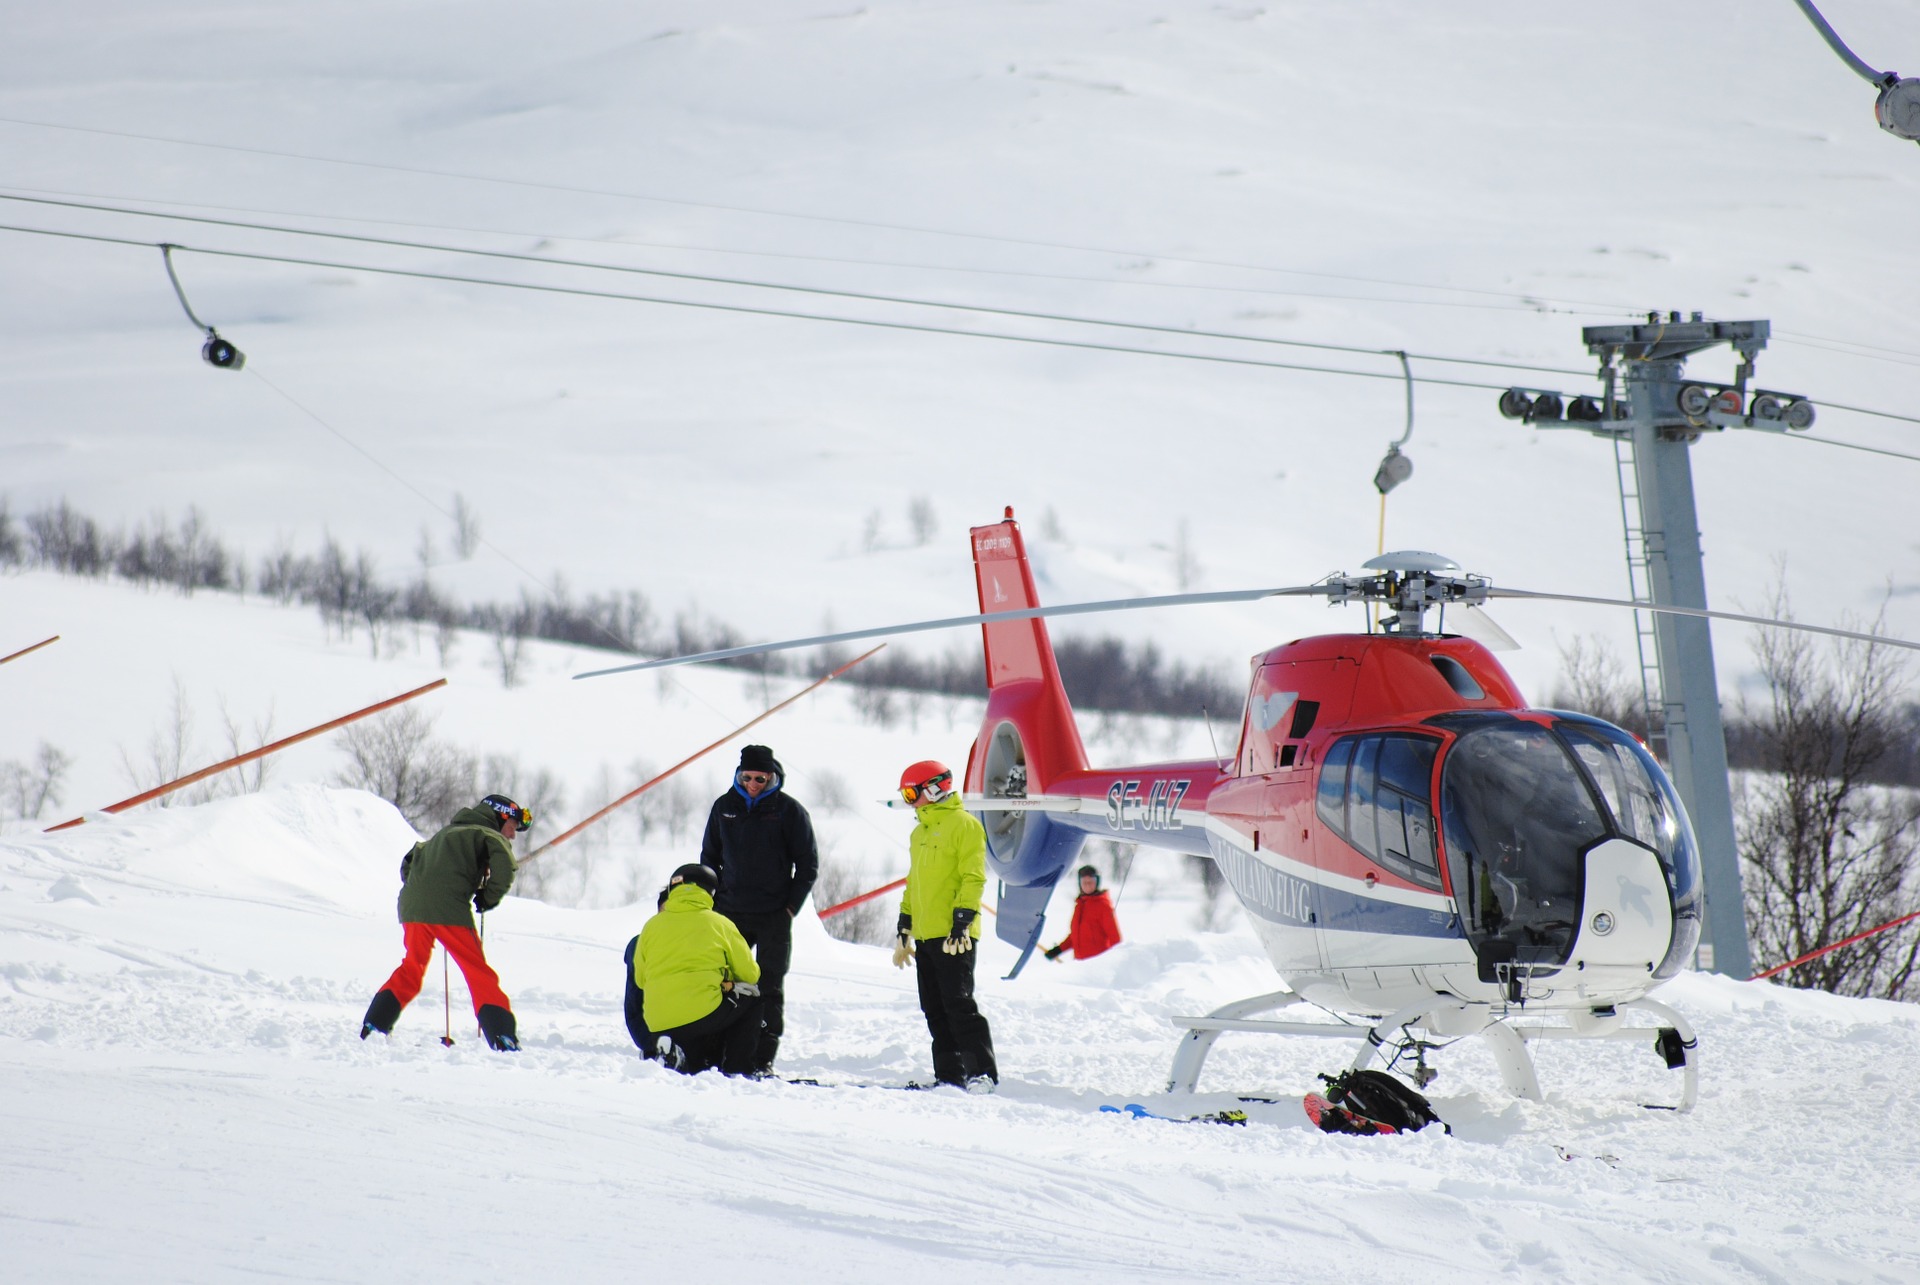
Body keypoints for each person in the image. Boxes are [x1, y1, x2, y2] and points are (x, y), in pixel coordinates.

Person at [361, 793, 527, 1051]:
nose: (513, 836)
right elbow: (505, 868)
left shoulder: (443, 835)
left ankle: (375, 1023)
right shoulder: (489, 835)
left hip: (412, 908)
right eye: (513, 827)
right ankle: (502, 1036)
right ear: (500, 816)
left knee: (412, 967)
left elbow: (408, 864)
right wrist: (487, 897)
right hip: (448, 910)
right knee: (477, 971)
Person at [699, 744, 818, 1074]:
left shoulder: (789, 811)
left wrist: (790, 908)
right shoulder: (724, 807)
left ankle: (761, 1059)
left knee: (768, 987)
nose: (754, 783)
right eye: (747, 776)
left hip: (773, 916)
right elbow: (709, 857)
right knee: (724, 982)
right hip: (729, 913)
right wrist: (713, 900)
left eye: (761, 778)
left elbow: (807, 864)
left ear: (772, 776)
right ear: (739, 775)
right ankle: (716, 1051)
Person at [893, 759, 997, 1091]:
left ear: (936, 788)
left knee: (959, 1005)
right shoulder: (918, 832)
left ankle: (981, 1074)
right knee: (934, 1008)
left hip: (955, 935)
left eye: (912, 793)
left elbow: (973, 877)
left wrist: (963, 919)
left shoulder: (964, 825)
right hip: (925, 934)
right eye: (906, 795)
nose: (910, 801)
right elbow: (914, 882)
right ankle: (950, 1076)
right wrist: (905, 922)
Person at [632, 863, 764, 1076]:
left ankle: (678, 1057)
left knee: (699, 1013)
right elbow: (750, 974)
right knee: (751, 1000)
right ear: (709, 892)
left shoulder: (651, 926)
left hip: (657, 1021)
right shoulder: (720, 924)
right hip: (702, 1016)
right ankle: (739, 1069)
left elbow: (640, 979)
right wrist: (725, 977)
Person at [1043, 864, 1123, 962]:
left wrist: (1115, 961)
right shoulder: (1080, 905)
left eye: (1091, 882)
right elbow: (1076, 936)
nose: (1087, 885)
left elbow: (1115, 939)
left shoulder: (1103, 906)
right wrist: (1058, 950)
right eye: (1084, 882)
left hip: (1098, 963)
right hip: (1081, 964)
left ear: (1097, 883)